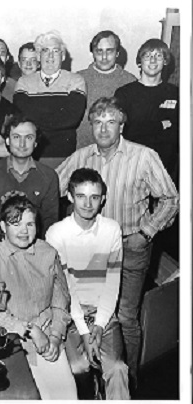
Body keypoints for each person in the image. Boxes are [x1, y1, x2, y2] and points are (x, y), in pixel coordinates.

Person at [56, 96, 179, 389]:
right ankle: (93, 377)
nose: (103, 128)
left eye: (111, 122)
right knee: (89, 311)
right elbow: (52, 187)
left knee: (125, 315)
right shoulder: (81, 157)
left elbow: (171, 199)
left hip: (131, 246)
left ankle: (131, 380)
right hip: (89, 252)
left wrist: (146, 232)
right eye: (97, 122)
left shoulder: (143, 156)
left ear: (121, 125)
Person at [0, 194, 77, 399]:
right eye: (16, 224)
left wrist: (56, 337)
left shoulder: (48, 252)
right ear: (3, 227)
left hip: (49, 335)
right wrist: (30, 330)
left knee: (66, 395)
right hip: (10, 341)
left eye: (30, 224)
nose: (24, 231)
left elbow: (61, 300)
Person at [46, 168, 130, 400]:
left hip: (104, 314)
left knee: (117, 369)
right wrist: (84, 331)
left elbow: (112, 283)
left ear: (103, 199)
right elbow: (65, 289)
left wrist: (101, 325)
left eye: (94, 197)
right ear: (70, 197)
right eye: (81, 196)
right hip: (72, 314)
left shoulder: (112, 230)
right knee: (78, 368)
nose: (88, 203)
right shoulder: (57, 233)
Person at [0, 113, 59, 243]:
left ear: (36, 143)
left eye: (28, 138)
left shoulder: (49, 176)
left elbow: (50, 220)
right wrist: (0, 244)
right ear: (7, 140)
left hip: (34, 245)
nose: (22, 144)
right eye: (16, 137)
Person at [13, 30, 86, 169]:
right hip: (31, 155)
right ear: (39, 56)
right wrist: (56, 113)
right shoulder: (24, 82)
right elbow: (23, 117)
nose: (50, 56)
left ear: (63, 56)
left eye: (56, 51)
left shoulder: (76, 80)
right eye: (45, 51)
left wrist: (38, 114)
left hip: (63, 155)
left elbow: (71, 118)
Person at [114, 38, 179, 180]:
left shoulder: (175, 93)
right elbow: (127, 131)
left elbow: (176, 132)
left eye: (159, 56)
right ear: (139, 61)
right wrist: (161, 124)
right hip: (131, 166)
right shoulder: (124, 93)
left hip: (165, 168)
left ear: (166, 61)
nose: (153, 61)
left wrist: (142, 127)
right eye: (147, 56)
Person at [76, 31, 136, 149]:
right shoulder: (77, 79)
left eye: (109, 51)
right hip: (83, 150)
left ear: (117, 53)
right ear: (93, 53)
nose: (104, 57)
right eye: (99, 51)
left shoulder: (130, 81)